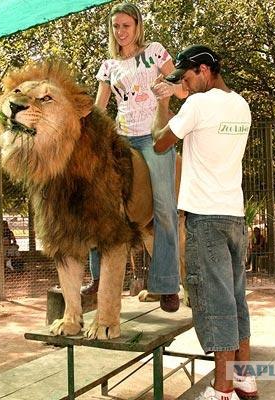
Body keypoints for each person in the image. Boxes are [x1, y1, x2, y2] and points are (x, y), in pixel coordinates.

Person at [152, 45, 257, 400]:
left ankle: (222, 389)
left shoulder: (197, 105)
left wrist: (164, 103)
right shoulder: (241, 105)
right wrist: (181, 92)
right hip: (234, 217)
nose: (185, 82)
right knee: (236, 300)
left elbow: (160, 143)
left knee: (215, 303)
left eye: (186, 76)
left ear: (204, 70)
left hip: (206, 220)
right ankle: (244, 377)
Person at [83, 2, 187, 313]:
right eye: (116, 26)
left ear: (137, 26)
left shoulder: (155, 51)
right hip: (121, 139)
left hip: (154, 138)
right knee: (98, 203)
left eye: (126, 25)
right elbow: (100, 109)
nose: (121, 31)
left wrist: (169, 88)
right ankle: (98, 279)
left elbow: (183, 90)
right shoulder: (108, 66)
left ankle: (168, 285)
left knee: (166, 209)